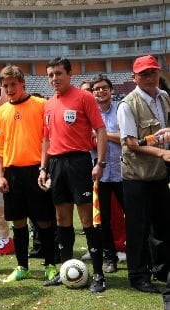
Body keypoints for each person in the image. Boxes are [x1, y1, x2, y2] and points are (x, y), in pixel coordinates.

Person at [38, 57, 108, 293]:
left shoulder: (84, 97)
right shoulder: (48, 104)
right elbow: (46, 138)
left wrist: (100, 162)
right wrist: (43, 167)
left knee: (88, 220)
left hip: (78, 162)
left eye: (58, 73)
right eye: (50, 75)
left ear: (69, 74)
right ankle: (66, 269)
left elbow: (100, 129)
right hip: (56, 165)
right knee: (62, 220)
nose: (54, 79)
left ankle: (98, 274)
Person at [0, 65, 57, 284]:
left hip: (36, 171)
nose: (9, 89)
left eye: (13, 84)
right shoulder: (0, 113)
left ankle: (50, 265)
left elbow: (47, 139)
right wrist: (0, 176)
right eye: (6, 86)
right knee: (18, 222)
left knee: (44, 221)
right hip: (11, 174)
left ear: (22, 83)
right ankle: (22, 267)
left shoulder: (41, 105)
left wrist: (43, 168)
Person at [116, 55, 170, 298]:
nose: (149, 77)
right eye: (144, 74)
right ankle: (138, 276)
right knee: (137, 228)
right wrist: (161, 151)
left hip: (159, 174)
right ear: (134, 77)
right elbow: (129, 143)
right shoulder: (128, 104)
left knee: (162, 226)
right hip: (136, 176)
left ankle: (161, 270)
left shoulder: (164, 97)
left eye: (153, 72)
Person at [90, 74, 125, 273]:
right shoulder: (90, 114)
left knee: (134, 215)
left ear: (111, 91)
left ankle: (143, 257)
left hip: (122, 172)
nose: (101, 91)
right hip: (100, 175)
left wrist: (101, 135)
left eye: (104, 88)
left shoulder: (120, 110)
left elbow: (125, 137)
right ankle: (109, 257)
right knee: (102, 220)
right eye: (97, 89)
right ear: (92, 93)